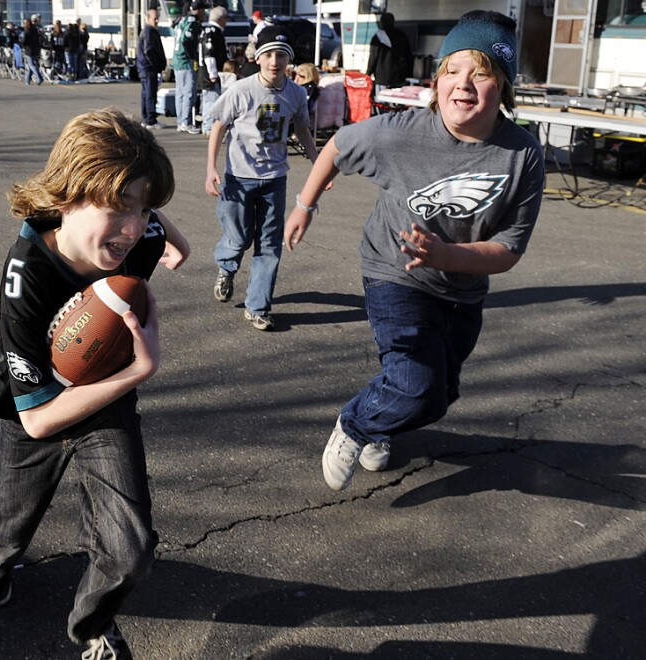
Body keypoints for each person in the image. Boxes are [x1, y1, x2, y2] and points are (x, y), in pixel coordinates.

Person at [284, 10, 544, 490]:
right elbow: (338, 146)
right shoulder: (401, 132)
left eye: (482, 73)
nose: (463, 84)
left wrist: (447, 257)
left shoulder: (522, 153)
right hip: (393, 268)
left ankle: (384, 419)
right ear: (437, 79)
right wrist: (305, 204)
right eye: (452, 70)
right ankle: (356, 424)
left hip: (461, 287)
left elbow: (509, 248)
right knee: (414, 384)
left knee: (439, 395)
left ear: (503, 87)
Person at [0, 107, 190, 660]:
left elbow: (167, 235)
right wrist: (140, 370)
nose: (135, 227)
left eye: (143, 209)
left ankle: (92, 626)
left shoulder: (136, 236)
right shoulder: (26, 278)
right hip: (38, 403)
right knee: (13, 522)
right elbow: (38, 419)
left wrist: (169, 242)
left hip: (105, 400)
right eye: (120, 207)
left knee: (130, 548)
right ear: (67, 197)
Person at [205, 27, 320, 331]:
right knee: (239, 238)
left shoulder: (296, 92)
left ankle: (258, 306)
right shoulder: (242, 90)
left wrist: (319, 164)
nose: (274, 61)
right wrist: (211, 169)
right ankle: (227, 266)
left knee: (269, 243)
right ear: (257, 58)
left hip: (275, 179)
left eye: (281, 55)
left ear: (289, 60)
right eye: (268, 54)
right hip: (239, 179)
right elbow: (218, 126)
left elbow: (303, 131)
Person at [171, 0, 205, 134]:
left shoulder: (181, 20)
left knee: (180, 93)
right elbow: (186, 40)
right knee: (188, 93)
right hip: (185, 61)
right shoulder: (192, 23)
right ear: (198, 10)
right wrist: (193, 57)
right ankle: (185, 121)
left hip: (177, 60)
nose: (204, 13)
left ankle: (181, 121)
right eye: (203, 10)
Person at [197, 5, 228, 137]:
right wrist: (213, 74)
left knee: (207, 100)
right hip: (210, 73)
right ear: (221, 19)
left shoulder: (205, 30)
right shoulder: (214, 32)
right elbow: (209, 54)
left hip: (203, 71)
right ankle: (209, 127)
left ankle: (207, 125)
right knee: (212, 100)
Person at [137, 7, 167, 130]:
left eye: (157, 18)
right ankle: (150, 119)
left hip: (144, 68)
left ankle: (146, 118)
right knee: (150, 94)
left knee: (146, 94)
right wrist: (156, 65)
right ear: (148, 18)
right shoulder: (149, 32)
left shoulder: (148, 31)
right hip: (149, 68)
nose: (157, 21)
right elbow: (148, 50)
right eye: (154, 18)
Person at [366, 12, 413, 91]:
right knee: (398, 100)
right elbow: (408, 55)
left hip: (383, 78)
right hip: (399, 76)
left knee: (382, 100)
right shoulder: (401, 35)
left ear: (382, 22)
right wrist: (408, 73)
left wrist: (368, 73)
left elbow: (373, 58)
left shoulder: (377, 37)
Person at [22, 15, 44, 85]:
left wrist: (22, 45)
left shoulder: (27, 31)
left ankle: (39, 77)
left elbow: (24, 41)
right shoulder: (35, 30)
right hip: (35, 49)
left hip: (29, 50)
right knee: (31, 65)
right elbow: (38, 39)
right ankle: (27, 80)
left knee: (31, 65)